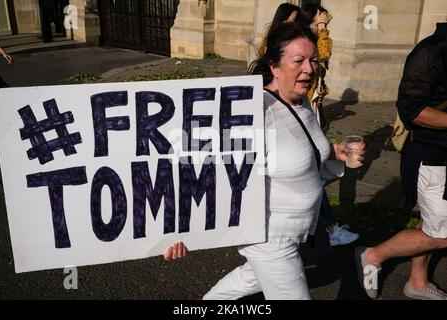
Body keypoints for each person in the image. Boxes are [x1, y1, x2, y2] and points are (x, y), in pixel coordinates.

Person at [165, 21, 365, 300]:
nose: (309, 68)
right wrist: (175, 230)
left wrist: (334, 151)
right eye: (298, 61)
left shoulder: (303, 101)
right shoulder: (254, 109)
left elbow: (298, 151)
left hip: (297, 231)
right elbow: (201, 164)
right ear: (274, 66)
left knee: (251, 278)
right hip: (269, 238)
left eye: (313, 60)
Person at [355, 22, 447, 300]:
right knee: (442, 232)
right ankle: (372, 255)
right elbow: (412, 110)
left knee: (431, 222)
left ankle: (416, 282)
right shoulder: (431, 52)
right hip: (430, 157)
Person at [299, 3, 360, 247]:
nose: (321, 24)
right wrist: (322, 28)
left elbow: (320, 64)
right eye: (316, 20)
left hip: (312, 111)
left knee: (314, 173)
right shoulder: (304, 42)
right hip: (302, 113)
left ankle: (323, 227)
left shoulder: (308, 41)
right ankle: (329, 228)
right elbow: (323, 54)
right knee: (315, 175)